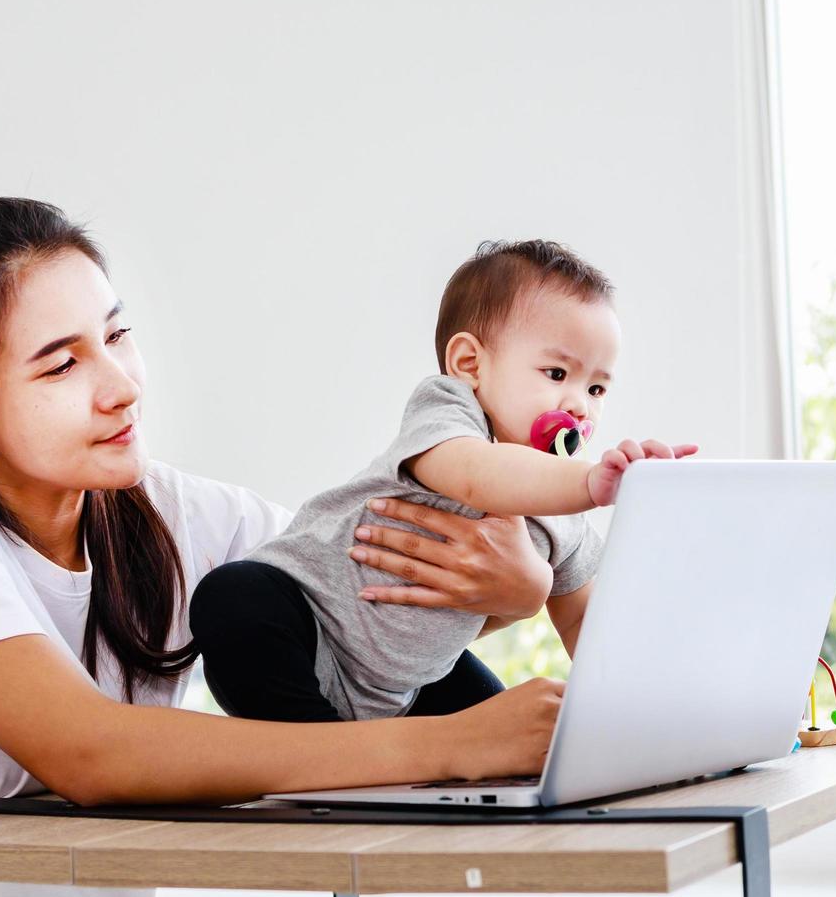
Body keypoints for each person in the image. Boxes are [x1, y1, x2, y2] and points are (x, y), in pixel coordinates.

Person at [0, 198, 563, 897]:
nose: (121, 385)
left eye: (117, 335)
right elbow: (88, 753)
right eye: (63, 364)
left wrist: (514, 593)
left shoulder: (169, 510)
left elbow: (357, 616)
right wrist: (454, 743)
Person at [191, 240, 697, 723]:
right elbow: (480, 480)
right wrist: (591, 482)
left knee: (498, 726)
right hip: (311, 628)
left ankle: (376, 759)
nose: (579, 406)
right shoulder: (449, 417)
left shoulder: (567, 515)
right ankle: (321, 756)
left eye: (597, 387)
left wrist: (642, 709)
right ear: (469, 365)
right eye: (557, 374)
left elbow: (585, 624)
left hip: (408, 686)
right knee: (233, 597)